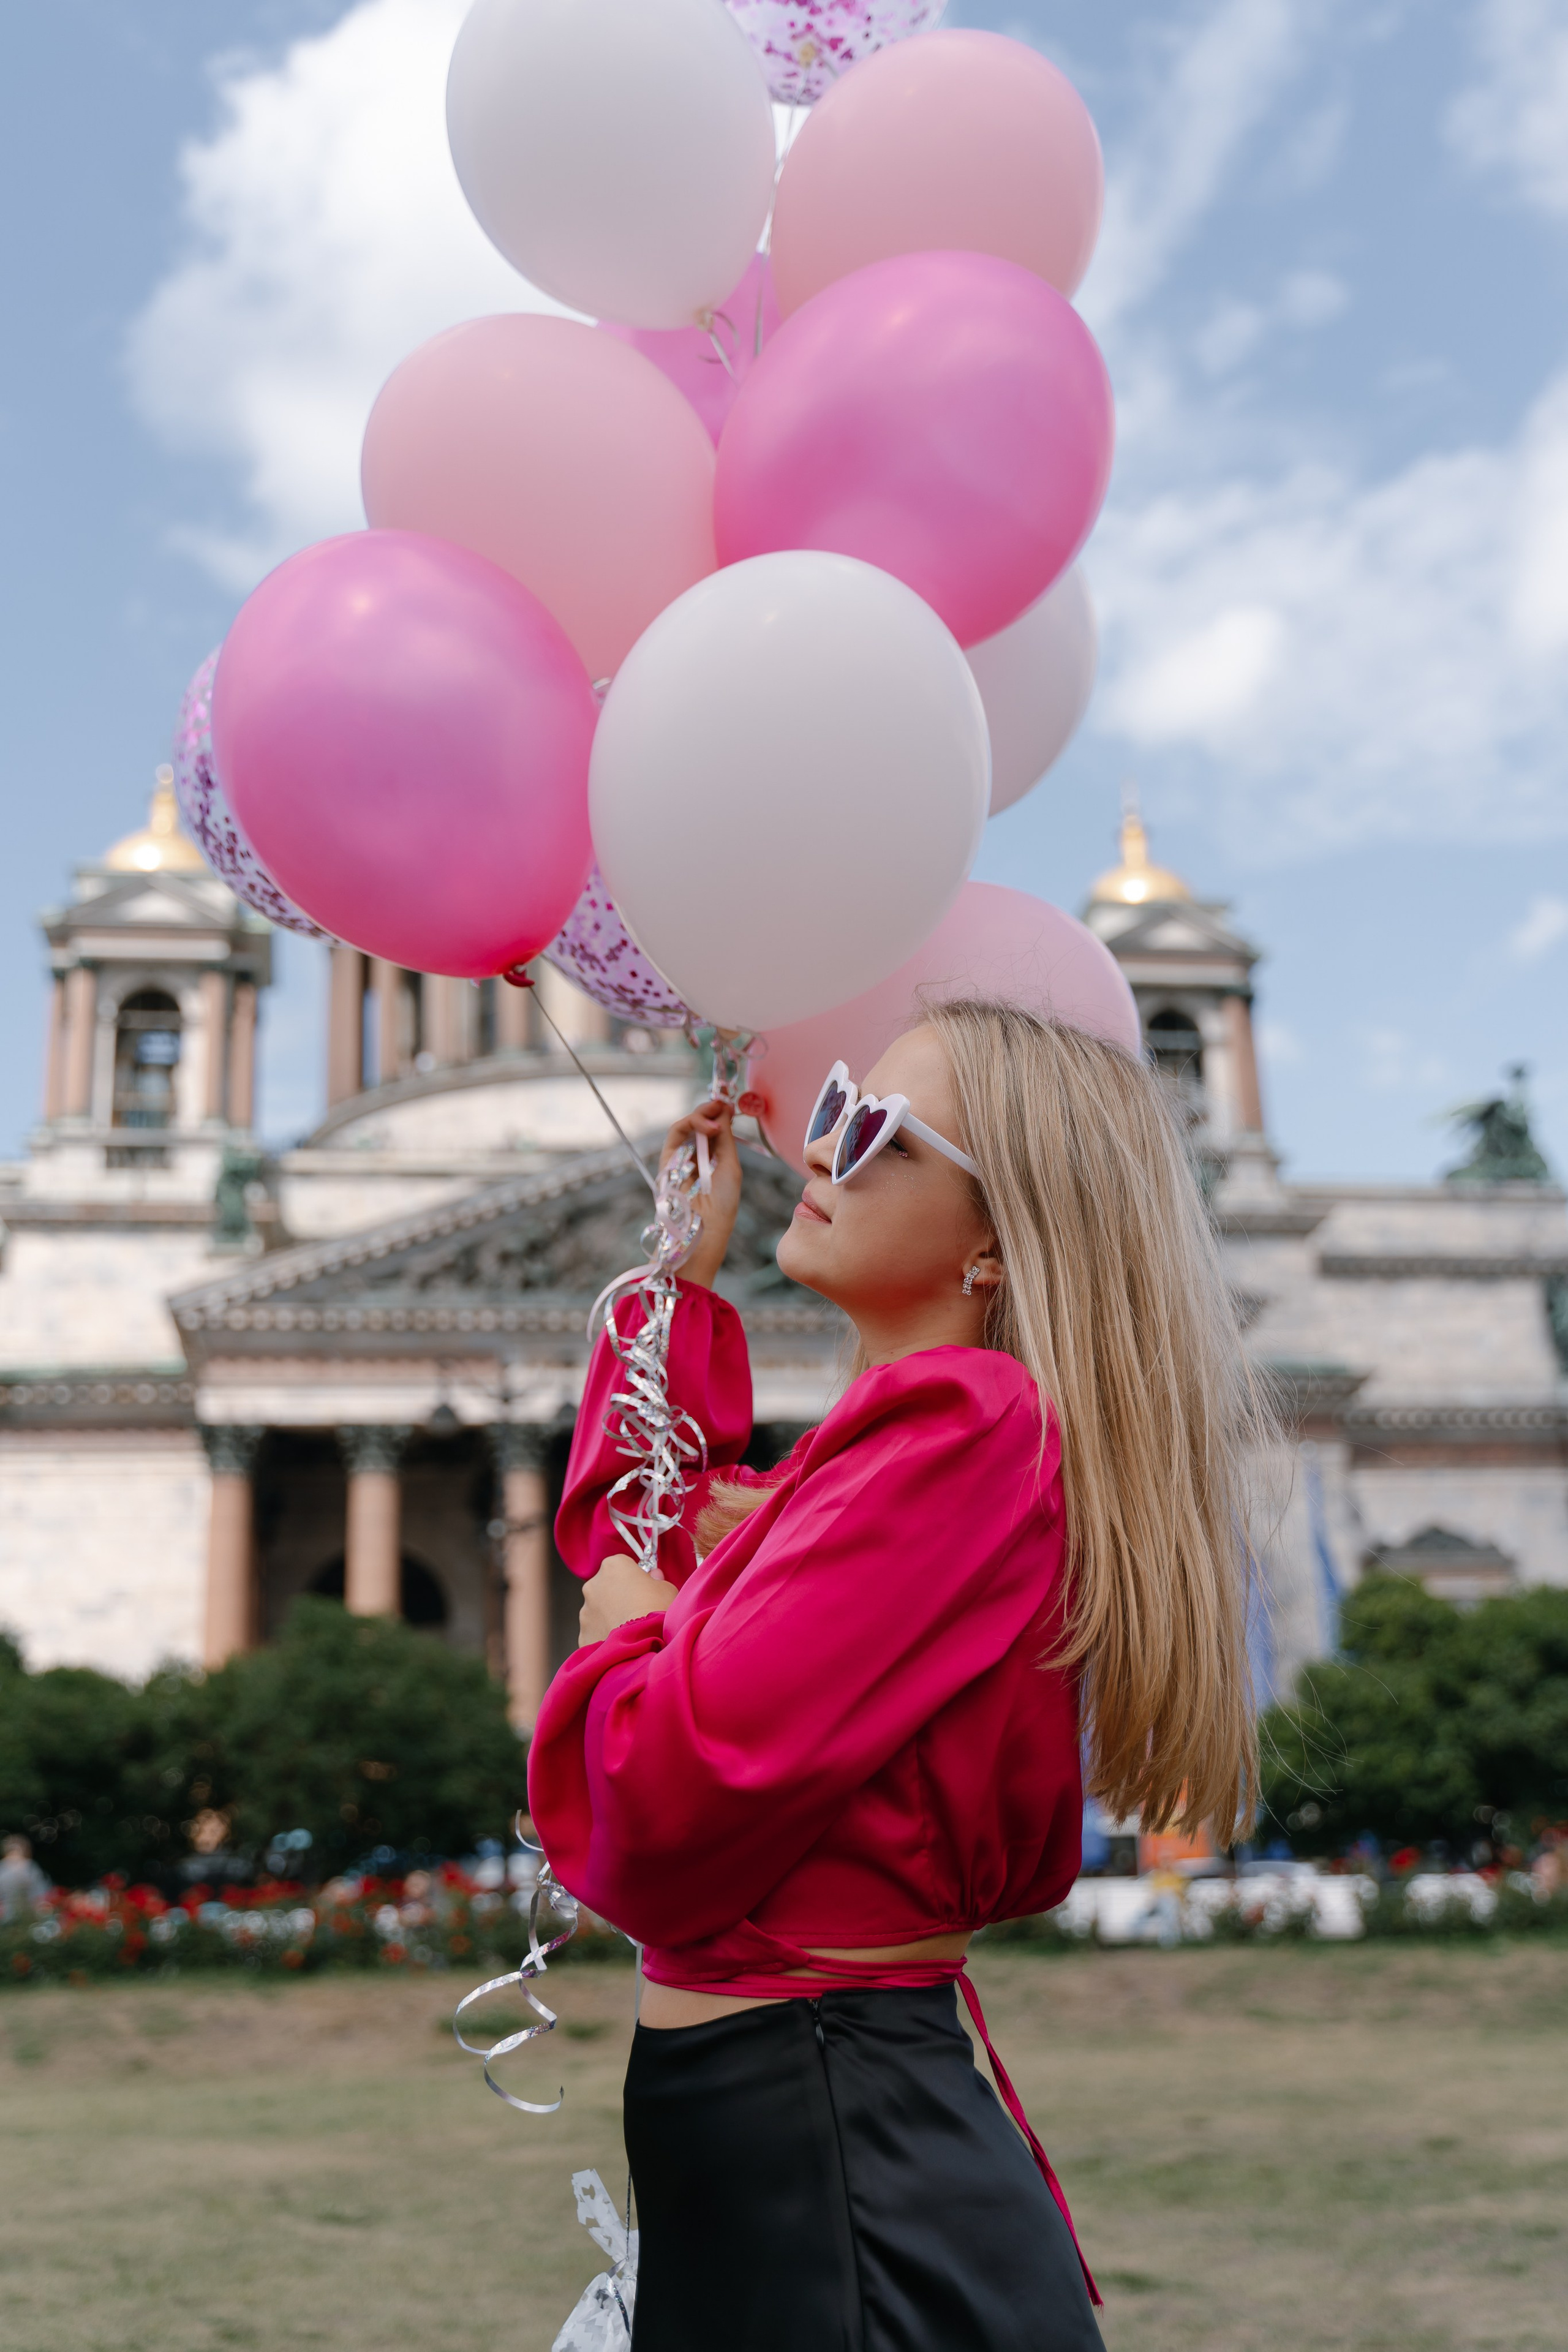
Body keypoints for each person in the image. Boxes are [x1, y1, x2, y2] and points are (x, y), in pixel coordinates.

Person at [529, 1000, 1263, 2351]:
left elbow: (665, 1795)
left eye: (871, 1131)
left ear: (996, 1239)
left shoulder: (965, 1430)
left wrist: (624, 1639)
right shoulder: (880, 1457)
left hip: (826, 2137)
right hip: (795, 2126)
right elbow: (644, 1527)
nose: (817, 1151)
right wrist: (678, 1286)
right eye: (827, 1113)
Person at [0, 1833, 50, 1924]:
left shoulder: (2, 1868)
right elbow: (41, 1894)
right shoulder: (30, 1867)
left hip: (6, 1917)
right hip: (28, 1915)